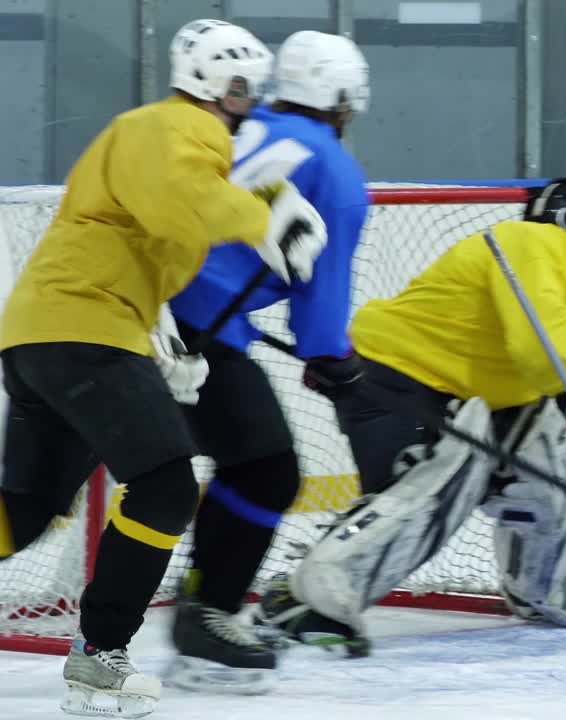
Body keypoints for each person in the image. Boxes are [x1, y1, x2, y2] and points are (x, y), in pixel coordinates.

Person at [0, 19, 326, 718]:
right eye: (243, 87)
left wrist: (165, 337)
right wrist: (264, 217)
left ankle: (99, 660)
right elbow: (181, 202)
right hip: (83, 332)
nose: (250, 102)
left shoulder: (171, 139)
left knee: (22, 511)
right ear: (217, 82)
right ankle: (99, 663)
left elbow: (146, 238)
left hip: (49, 333)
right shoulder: (180, 127)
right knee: (165, 487)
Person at [255, 179, 566, 656]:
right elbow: (537, 338)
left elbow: (520, 359)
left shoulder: (534, 258)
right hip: (398, 377)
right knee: (432, 481)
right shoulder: (541, 241)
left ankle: (544, 583)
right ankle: (305, 600)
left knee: (532, 447)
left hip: (417, 384)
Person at [164, 30, 371, 693]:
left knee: (46, 482)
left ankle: (205, 609)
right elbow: (321, 303)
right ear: (342, 100)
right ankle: (208, 625)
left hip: (137, 304)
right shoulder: (332, 164)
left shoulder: (241, 123)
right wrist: (334, 360)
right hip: (195, 328)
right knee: (266, 471)